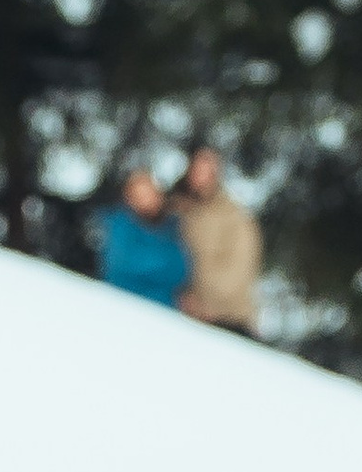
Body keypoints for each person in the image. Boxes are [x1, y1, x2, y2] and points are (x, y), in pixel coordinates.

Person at [175, 142, 261, 335]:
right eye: (196, 166)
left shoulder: (236, 219)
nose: (200, 174)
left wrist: (203, 302)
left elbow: (238, 271)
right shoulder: (176, 209)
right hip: (181, 310)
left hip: (227, 319)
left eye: (207, 167)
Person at [101, 164, 190, 309]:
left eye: (149, 193)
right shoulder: (120, 226)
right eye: (140, 195)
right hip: (126, 306)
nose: (146, 200)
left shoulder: (171, 228)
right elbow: (125, 265)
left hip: (166, 310)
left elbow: (181, 270)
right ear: (129, 198)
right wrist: (162, 262)